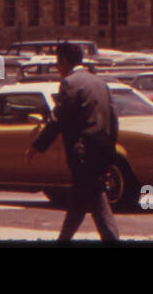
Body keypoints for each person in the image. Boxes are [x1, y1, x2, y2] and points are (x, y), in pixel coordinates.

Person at [24, 42, 120, 243]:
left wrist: (37, 146)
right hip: (103, 149)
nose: (58, 69)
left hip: (83, 151)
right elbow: (113, 118)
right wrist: (110, 147)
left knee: (86, 195)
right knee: (89, 196)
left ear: (65, 62)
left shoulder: (70, 83)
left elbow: (58, 119)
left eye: (57, 64)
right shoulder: (100, 83)